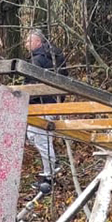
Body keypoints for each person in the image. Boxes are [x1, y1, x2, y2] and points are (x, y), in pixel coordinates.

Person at [24, 27, 64, 193]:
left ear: (38, 42)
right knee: (40, 137)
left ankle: (50, 172)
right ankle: (51, 167)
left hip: (41, 104)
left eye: (29, 41)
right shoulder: (56, 57)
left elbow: (32, 86)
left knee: (38, 136)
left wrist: (26, 99)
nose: (26, 44)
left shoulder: (37, 60)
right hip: (54, 102)